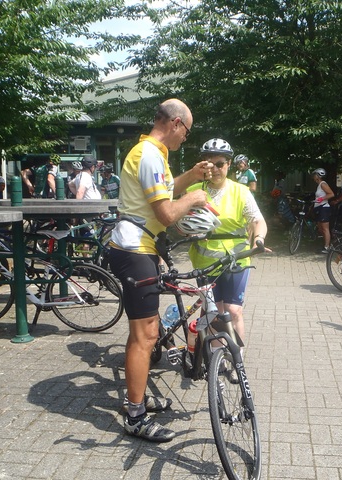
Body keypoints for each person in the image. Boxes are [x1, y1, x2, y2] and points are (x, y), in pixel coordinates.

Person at [108, 98, 212, 443]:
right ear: (176, 124)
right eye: (187, 132)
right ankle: (135, 416)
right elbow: (168, 213)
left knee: (144, 332)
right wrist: (195, 199)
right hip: (135, 249)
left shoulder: (153, 154)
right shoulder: (150, 155)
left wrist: (192, 177)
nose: (186, 139)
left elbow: (165, 192)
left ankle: (135, 399)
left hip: (140, 247)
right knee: (145, 336)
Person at [184, 138, 268, 381]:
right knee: (212, 313)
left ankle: (236, 360)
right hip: (204, 262)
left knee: (233, 310)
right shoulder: (193, 191)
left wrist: (259, 239)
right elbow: (179, 222)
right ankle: (214, 357)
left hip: (236, 260)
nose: (215, 169)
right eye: (209, 164)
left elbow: (257, 220)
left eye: (220, 164)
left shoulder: (240, 191)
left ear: (229, 164)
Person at [311, 168, 335, 253]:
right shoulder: (319, 185)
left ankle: (327, 247)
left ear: (318, 176)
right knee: (320, 229)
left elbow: (331, 194)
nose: (313, 177)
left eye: (314, 175)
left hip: (324, 208)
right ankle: (326, 244)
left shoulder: (323, 184)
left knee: (325, 229)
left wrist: (322, 199)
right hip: (319, 208)